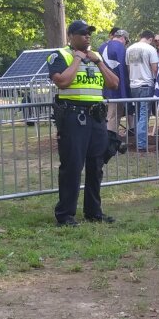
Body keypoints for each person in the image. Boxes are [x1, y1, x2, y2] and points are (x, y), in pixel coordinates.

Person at [46, 20, 120, 227]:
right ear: (71, 36)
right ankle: (65, 214)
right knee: (72, 166)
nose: (87, 37)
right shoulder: (60, 56)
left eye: (89, 34)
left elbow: (114, 84)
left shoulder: (96, 56)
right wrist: (77, 59)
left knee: (96, 166)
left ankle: (94, 211)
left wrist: (99, 63)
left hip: (96, 117)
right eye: (82, 34)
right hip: (73, 117)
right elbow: (62, 81)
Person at [126, 30, 159, 152]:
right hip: (146, 84)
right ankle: (141, 144)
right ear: (150, 39)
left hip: (133, 84)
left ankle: (139, 141)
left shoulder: (129, 49)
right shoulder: (150, 49)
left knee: (138, 113)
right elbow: (155, 68)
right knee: (144, 115)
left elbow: (128, 67)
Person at [98, 28, 130, 135]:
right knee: (113, 115)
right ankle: (109, 140)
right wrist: (125, 90)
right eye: (126, 41)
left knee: (107, 115)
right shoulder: (121, 48)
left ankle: (108, 137)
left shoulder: (101, 47)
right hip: (116, 88)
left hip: (102, 87)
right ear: (122, 38)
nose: (126, 43)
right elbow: (124, 70)